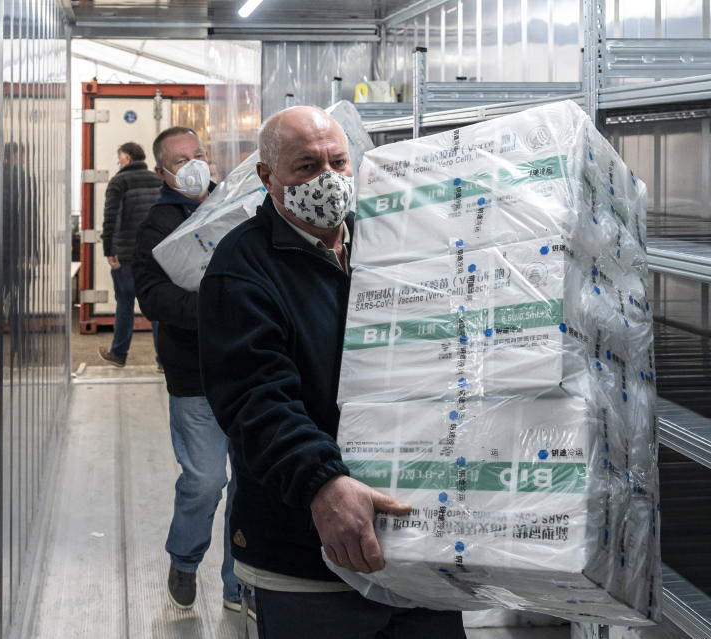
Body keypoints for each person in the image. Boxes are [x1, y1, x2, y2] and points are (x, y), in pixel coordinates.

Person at [198, 106, 466, 639]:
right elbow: (257, 400)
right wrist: (323, 483)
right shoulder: (241, 270)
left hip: (415, 543)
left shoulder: (392, 246)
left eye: (338, 162)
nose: (328, 180)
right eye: (305, 167)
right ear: (267, 178)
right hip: (307, 558)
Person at [132, 126, 249, 618]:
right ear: (163, 172)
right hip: (194, 373)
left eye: (199, 155)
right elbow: (154, 296)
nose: (195, 165)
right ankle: (184, 559)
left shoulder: (240, 209)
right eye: (181, 160)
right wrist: (214, 307)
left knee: (250, 482)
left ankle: (239, 581)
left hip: (249, 369)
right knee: (204, 480)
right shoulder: (157, 225)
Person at [98, 142, 162, 368]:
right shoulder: (158, 180)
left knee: (124, 303)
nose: (118, 162)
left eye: (119, 157)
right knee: (156, 306)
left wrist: (109, 250)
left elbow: (111, 218)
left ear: (126, 157)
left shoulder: (119, 182)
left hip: (126, 255)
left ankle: (119, 353)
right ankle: (164, 361)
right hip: (155, 254)